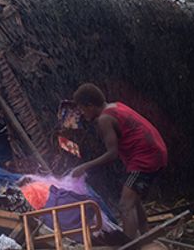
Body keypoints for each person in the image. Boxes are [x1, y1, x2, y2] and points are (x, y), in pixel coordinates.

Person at [70, 83, 167, 239]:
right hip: (155, 152)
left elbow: (112, 154)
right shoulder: (115, 106)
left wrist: (85, 167)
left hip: (145, 158)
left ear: (90, 105)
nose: (82, 113)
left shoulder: (104, 119)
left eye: (82, 109)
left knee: (124, 205)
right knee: (133, 199)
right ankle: (146, 236)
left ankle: (127, 246)